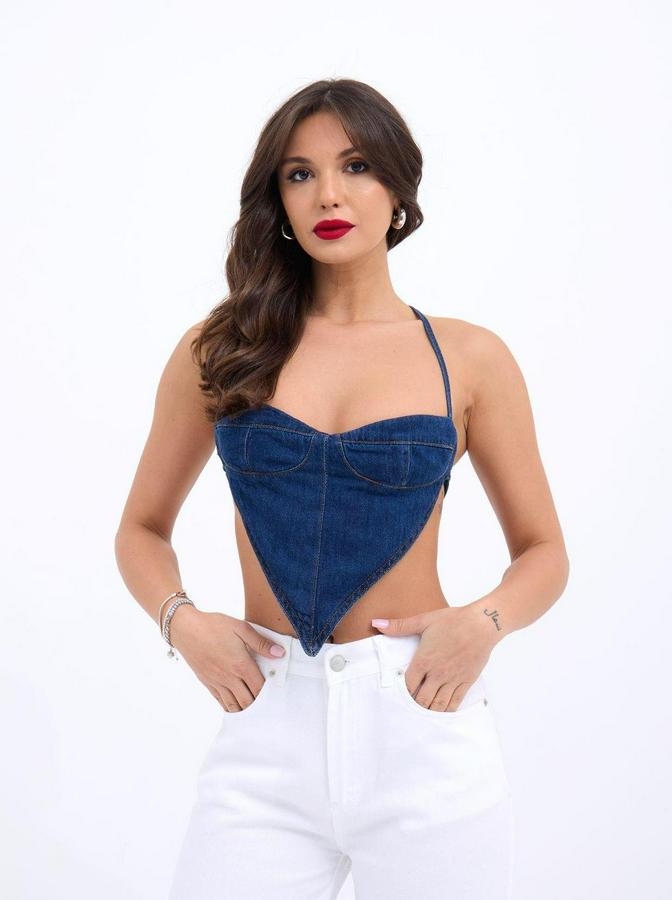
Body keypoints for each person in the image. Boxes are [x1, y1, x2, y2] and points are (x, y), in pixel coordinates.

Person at [115, 78, 569, 900]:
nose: (328, 193)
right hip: (265, 725)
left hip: (424, 718)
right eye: (300, 174)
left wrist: (484, 624)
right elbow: (141, 527)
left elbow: (544, 553)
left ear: (397, 189)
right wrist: (183, 623)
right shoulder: (220, 349)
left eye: (355, 166)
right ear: (278, 201)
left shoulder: (469, 358)